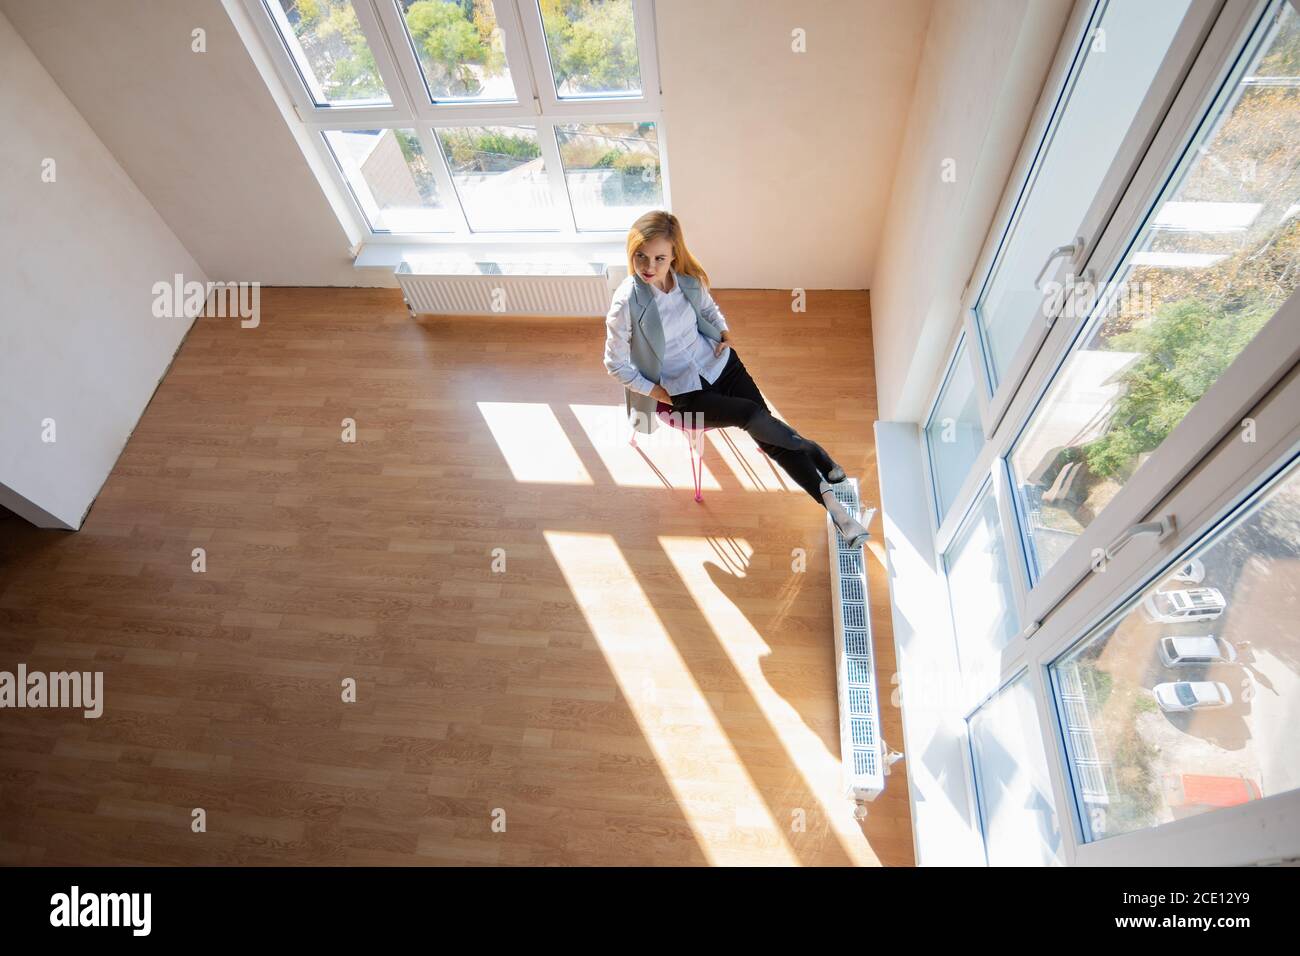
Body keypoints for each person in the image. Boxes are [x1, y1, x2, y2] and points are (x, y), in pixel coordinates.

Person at [602, 210, 870, 548]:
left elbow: (710, 309)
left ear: (673, 255)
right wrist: (656, 391)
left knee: (768, 433)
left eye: (659, 257)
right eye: (640, 255)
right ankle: (813, 450)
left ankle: (836, 509)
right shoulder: (627, 301)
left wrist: (724, 331)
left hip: (719, 364)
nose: (648, 266)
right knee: (752, 417)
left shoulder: (687, 280)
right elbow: (614, 363)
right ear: (631, 252)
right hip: (682, 392)